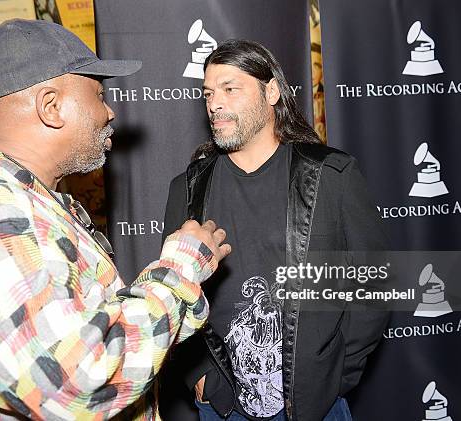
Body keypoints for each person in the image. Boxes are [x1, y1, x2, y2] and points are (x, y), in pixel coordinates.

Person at [0, 19, 231, 420]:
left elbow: (94, 331)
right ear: (51, 106)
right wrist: (179, 271)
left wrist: (175, 287)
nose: (109, 111)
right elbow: (76, 381)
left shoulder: (24, 200)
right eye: (98, 94)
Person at [161, 40, 389, 421]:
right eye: (208, 93)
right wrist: (198, 375)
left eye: (230, 89)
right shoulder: (186, 189)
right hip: (224, 405)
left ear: (271, 91)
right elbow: (171, 292)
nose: (215, 103)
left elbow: (373, 283)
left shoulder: (331, 176)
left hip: (318, 406)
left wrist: (332, 375)